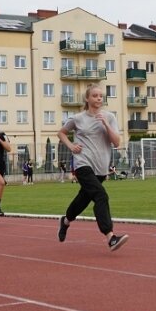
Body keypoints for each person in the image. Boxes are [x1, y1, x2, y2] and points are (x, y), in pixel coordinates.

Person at [56, 84, 129, 252]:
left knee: (83, 199)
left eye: (101, 96)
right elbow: (61, 133)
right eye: (95, 95)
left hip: (101, 167)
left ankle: (65, 221)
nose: (99, 98)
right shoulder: (78, 118)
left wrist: (105, 124)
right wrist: (71, 145)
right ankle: (110, 237)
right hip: (83, 164)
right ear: (87, 99)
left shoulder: (109, 117)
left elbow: (117, 142)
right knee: (101, 195)